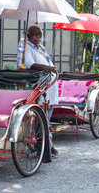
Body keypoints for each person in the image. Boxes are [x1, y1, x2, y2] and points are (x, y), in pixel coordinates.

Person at [21, 24, 59, 158]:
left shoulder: (41, 48)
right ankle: (46, 148)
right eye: (34, 34)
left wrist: (49, 68)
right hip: (39, 88)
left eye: (39, 34)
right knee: (42, 120)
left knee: (46, 118)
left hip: (49, 87)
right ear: (28, 35)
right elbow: (28, 64)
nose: (37, 37)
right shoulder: (26, 48)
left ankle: (47, 147)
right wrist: (46, 67)